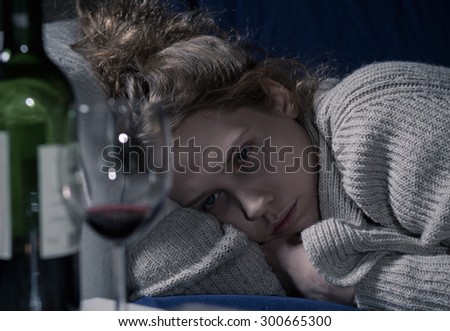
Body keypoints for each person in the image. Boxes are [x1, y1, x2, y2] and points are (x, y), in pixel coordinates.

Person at [72, 0, 450, 310]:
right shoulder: (286, 228)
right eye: (212, 200)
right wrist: (289, 272)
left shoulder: (372, 120)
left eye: (244, 157)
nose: (253, 208)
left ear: (276, 98)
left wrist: (343, 285)